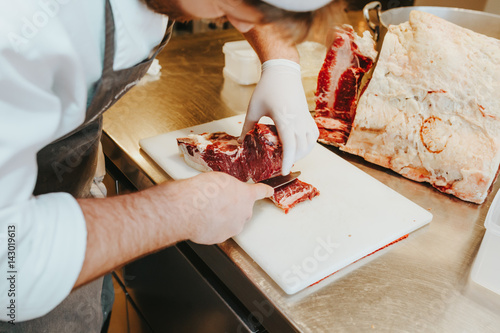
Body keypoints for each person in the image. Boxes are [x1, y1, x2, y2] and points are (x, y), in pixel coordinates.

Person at [0, 0, 335, 331]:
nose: (238, 22)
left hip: (77, 188)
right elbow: (10, 265)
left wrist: (281, 61)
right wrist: (181, 211)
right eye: (230, 7)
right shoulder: (22, 30)